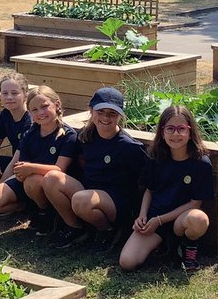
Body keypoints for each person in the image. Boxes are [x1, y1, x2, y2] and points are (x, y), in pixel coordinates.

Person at [44, 86, 147, 251]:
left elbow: (144, 180)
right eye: (101, 112)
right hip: (89, 190)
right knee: (51, 178)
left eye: (112, 113)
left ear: (120, 115)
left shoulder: (129, 146)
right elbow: (81, 161)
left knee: (80, 199)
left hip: (115, 200)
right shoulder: (86, 136)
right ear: (91, 111)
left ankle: (107, 231)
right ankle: (75, 227)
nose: (106, 117)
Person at [119, 105, 213, 272]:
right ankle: (164, 246)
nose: (176, 134)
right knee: (127, 262)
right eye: (170, 128)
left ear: (190, 132)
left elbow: (194, 204)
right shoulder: (155, 157)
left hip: (180, 220)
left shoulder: (201, 163)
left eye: (181, 129)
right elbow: (149, 190)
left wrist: (160, 220)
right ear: (162, 132)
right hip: (155, 218)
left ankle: (187, 246)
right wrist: (142, 216)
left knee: (199, 219)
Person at [0, 85, 78, 232]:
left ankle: (46, 213)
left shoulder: (67, 135)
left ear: (57, 105)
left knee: (34, 181)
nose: (41, 113)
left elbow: (59, 169)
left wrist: (30, 169)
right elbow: (20, 167)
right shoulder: (30, 134)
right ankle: (30, 206)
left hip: (55, 182)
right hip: (27, 179)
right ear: (30, 112)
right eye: (35, 110)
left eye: (44, 107)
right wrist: (18, 175)